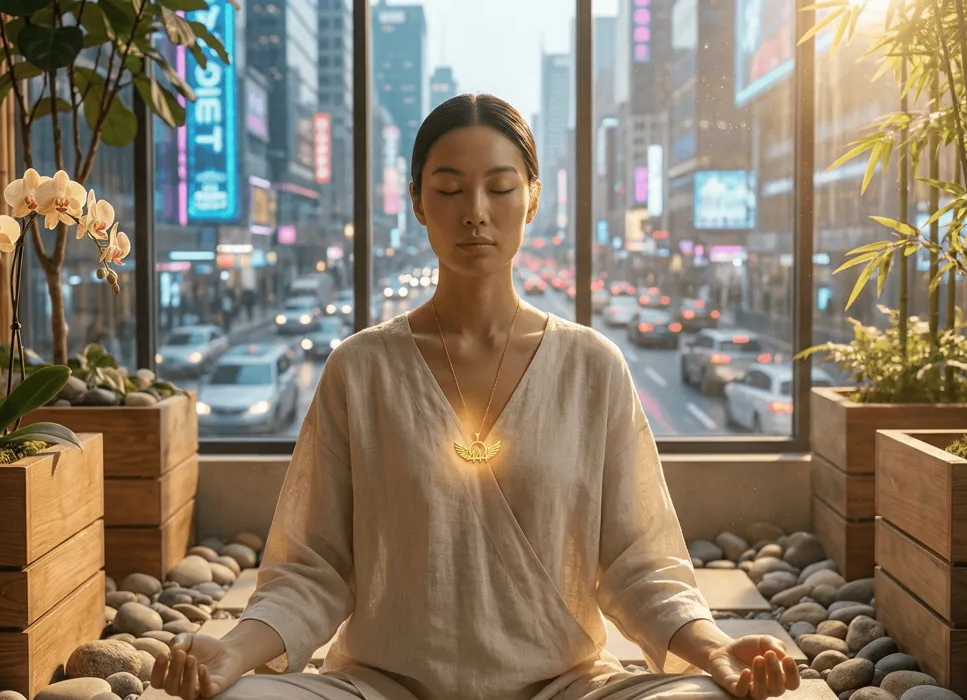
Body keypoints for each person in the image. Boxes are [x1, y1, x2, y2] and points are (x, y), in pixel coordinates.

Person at [151, 94, 801, 700]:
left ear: (534, 197)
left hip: (564, 687)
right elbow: (313, 568)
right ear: (416, 201)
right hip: (381, 686)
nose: (476, 212)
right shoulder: (361, 369)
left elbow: (638, 563)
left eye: (500, 187)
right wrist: (232, 653)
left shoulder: (591, 367)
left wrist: (715, 649)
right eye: (450, 189)